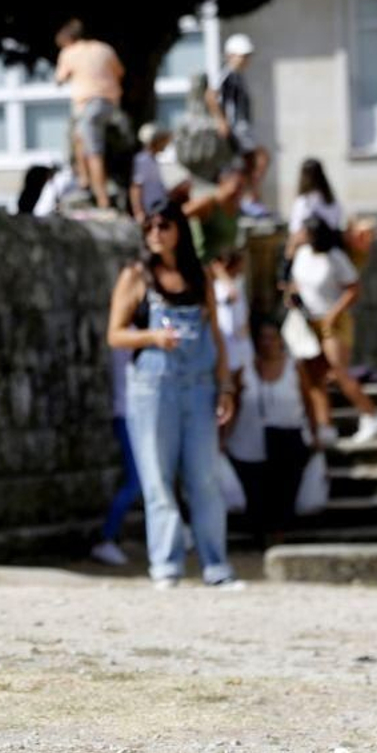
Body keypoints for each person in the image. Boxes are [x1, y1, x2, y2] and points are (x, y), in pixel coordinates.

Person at [106, 200, 242, 589]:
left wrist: (226, 385)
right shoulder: (135, 276)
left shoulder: (198, 276)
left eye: (163, 225)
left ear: (179, 229)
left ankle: (216, 565)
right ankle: (166, 565)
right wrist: (152, 336)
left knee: (204, 477)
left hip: (198, 386)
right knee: (158, 478)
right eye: (149, 226)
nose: (156, 233)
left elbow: (216, 335)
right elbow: (115, 334)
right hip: (153, 386)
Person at [284, 159, 377, 445]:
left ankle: (371, 414)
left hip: (333, 320)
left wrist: (332, 313)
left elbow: (355, 288)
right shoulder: (304, 255)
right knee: (314, 376)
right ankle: (324, 425)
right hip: (309, 320)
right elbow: (295, 282)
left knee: (337, 371)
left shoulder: (335, 257)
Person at [225, 318, 320, 544]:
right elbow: (234, 404)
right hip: (250, 440)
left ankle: (279, 531)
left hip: (288, 437)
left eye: (272, 338)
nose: (268, 343)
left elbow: (309, 400)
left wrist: (315, 431)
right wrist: (223, 436)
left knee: (284, 486)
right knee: (257, 489)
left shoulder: (294, 367)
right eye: (263, 338)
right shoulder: (245, 370)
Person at [54, 19, 124, 211]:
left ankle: (101, 197)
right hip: (110, 104)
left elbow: (59, 79)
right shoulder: (104, 49)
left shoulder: (69, 52)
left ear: (68, 39)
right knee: (79, 138)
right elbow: (119, 72)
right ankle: (85, 180)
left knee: (94, 152)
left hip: (88, 105)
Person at [90, 347, 140, 567]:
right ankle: (105, 538)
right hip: (128, 415)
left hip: (138, 414)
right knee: (136, 482)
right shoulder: (127, 336)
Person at [213, 35, 268, 215]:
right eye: (241, 56)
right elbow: (211, 95)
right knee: (251, 164)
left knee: (254, 164)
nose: (245, 60)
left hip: (243, 130)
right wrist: (221, 121)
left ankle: (249, 200)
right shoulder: (226, 74)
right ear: (230, 55)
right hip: (236, 131)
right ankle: (246, 202)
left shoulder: (238, 76)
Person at [212, 250, 252, 387]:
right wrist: (218, 269)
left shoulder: (238, 282)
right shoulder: (214, 286)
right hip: (224, 343)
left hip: (239, 342)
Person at [129, 123, 173, 220]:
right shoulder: (142, 160)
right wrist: (138, 212)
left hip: (163, 209)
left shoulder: (161, 159)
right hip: (150, 212)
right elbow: (136, 187)